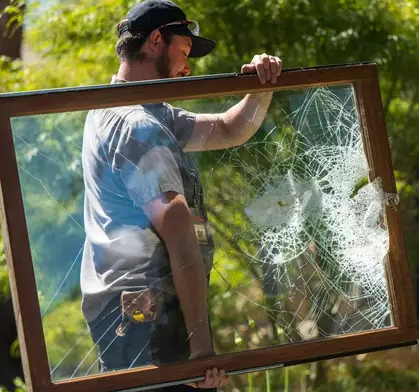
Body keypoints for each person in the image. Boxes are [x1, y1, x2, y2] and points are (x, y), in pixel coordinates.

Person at [79, 0, 282, 390]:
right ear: (156, 40)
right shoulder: (136, 125)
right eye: (184, 52)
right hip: (143, 320)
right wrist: (202, 349)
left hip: (138, 317)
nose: (188, 68)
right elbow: (180, 235)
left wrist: (261, 86)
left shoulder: (133, 111)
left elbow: (227, 129)